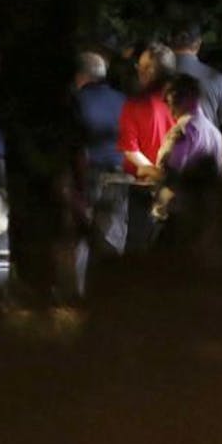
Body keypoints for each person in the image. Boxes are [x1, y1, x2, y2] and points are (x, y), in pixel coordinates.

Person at [140, 73, 222, 247]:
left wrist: (146, 170)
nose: (167, 105)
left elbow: (171, 175)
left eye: (169, 100)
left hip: (177, 213)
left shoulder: (183, 130)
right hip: (205, 211)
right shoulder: (213, 131)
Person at [71, 51, 128, 294]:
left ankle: (77, 292)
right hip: (120, 175)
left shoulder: (75, 103)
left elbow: (75, 147)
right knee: (113, 234)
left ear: (80, 76)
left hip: (89, 174)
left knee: (80, 237)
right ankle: (113, 292)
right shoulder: (124, 100)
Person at [166, 20, 222, 173]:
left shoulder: (154, 77)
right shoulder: (217, 80)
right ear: (198, 44)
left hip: (162, 172)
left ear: (169, 43)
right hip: (204, 174)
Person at [117, 41, 176, 251]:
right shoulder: (185, 101)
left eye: (140, 68)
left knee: (139, 248)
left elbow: (130, 149)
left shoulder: (134, 104)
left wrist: (155, 173)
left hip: (144, 188)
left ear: (148, 73)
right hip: (178, 187)